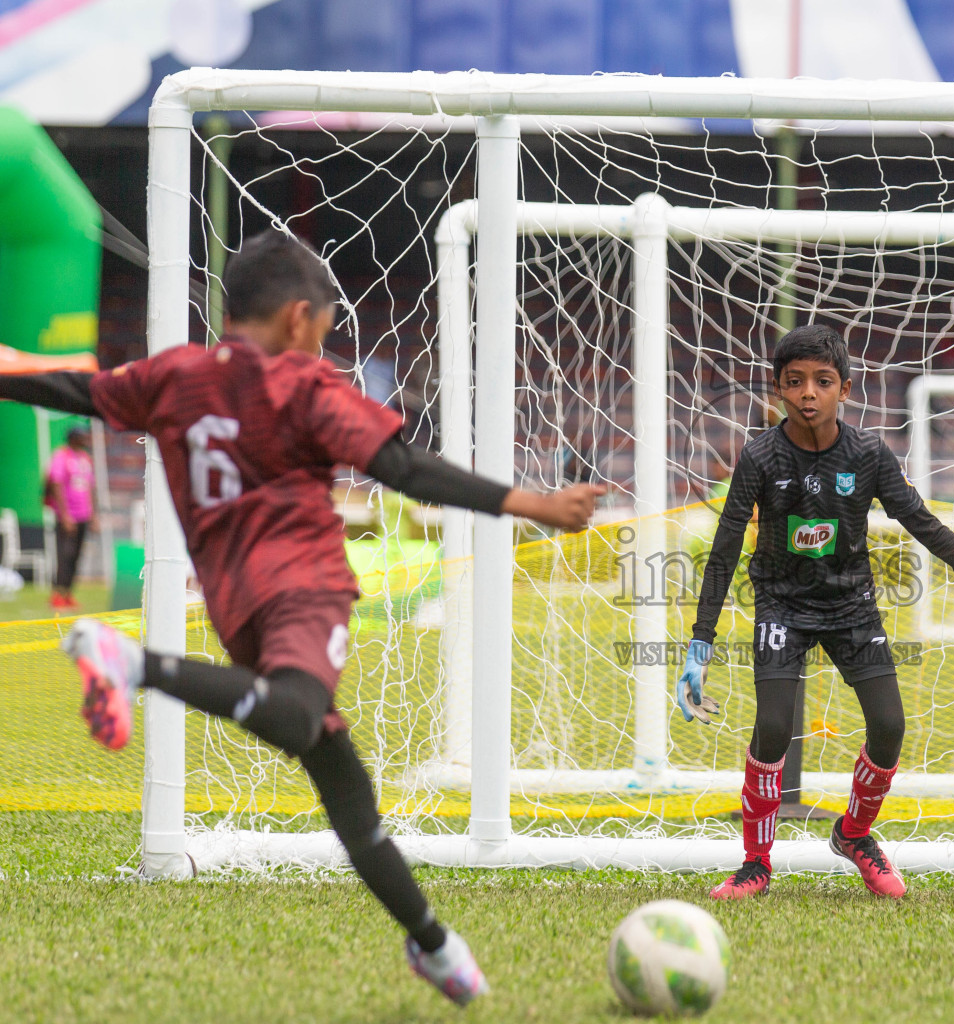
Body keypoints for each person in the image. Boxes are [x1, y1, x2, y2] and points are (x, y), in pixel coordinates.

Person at [0, 231, 603, 1006]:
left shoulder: (174, 375)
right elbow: (404, 470)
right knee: (296, 716)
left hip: (234, 607)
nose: (325, 340)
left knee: (345, 787)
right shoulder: (304, 387)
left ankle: (433, 943)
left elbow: (75, 391)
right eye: (323, 324)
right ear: (295, 320)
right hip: (303, 590)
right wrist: (534, 504)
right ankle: (134, 664)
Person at [677, 324, 954, 901]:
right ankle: (755, 864)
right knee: (772, 728)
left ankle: (853, 834)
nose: (808, 394)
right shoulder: (760, 456)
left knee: (889, 727)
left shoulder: (867, 454)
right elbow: (724, 547)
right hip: (781, 607)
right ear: (778, 391)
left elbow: (921, 520)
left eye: (822, 382)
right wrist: (701, 642)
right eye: (794, 383)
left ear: (845, 388)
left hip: (851, 606)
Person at [45, 426, 95, 610]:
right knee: (64, 554)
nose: (85, 439)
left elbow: (90, 486)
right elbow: (56, 483)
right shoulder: (61, 456)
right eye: (81, 437)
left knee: (76, 556)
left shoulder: (85, 458)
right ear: (73, 438)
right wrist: (65, 515)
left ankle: (68, 593)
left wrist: (93, 515)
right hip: (66, 516)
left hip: (83, 515)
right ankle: (57, 593)